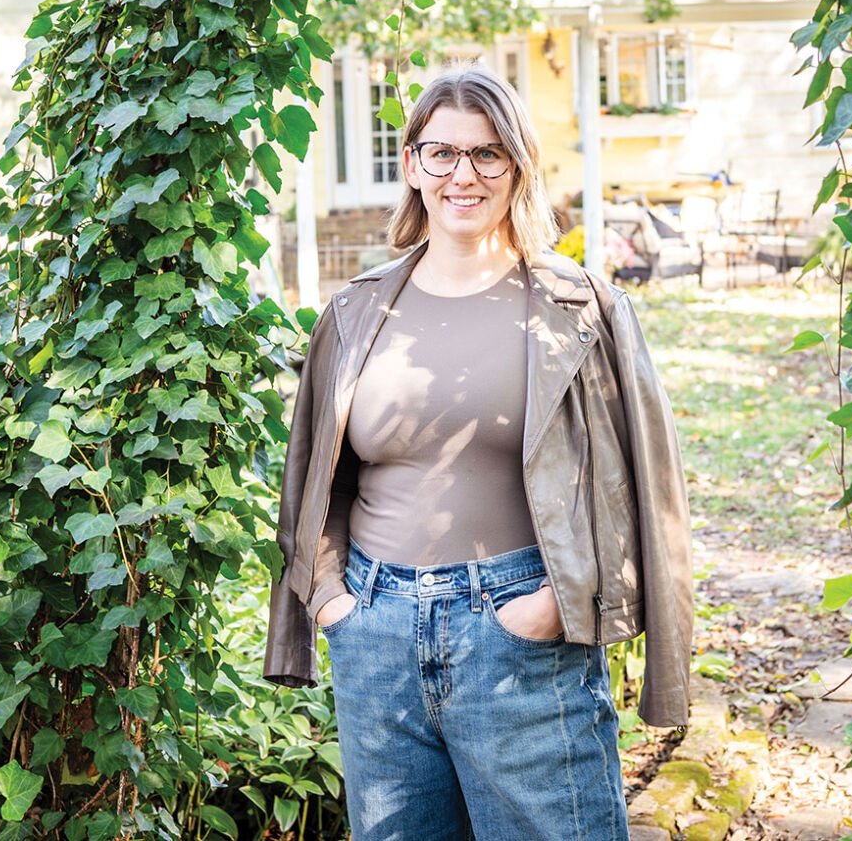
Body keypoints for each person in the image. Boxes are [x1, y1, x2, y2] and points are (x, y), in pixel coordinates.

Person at [264, 66, 692, 840]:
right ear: (411, 164)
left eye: (488, 153)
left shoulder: (579, 307)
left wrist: (554, 603)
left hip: (519, 634)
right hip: (376, 634)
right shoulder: (355, 310)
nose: (463, 174)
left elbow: (642, 484)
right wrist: (331, 597)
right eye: (443, 153)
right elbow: (316, 480)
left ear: (518, 165)